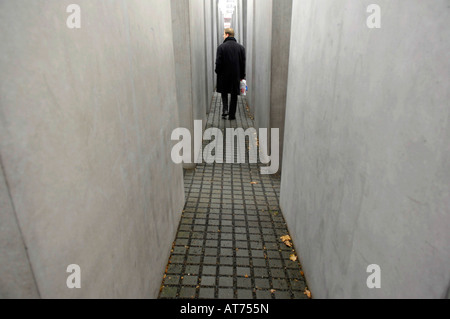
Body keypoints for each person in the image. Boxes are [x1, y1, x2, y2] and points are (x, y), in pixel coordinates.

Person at [215, 28, 246, 120]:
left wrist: (217, 71)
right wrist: (242, 75)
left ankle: (225, 110)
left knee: (224, 92)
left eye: (224, 34)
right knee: (234, 94)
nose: (223, 36)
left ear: (227, 35)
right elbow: (242, 63)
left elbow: (218, 62)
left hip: (223, 75)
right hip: (235, 75)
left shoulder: (221, 47)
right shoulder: (241, 48)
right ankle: (232, 114)